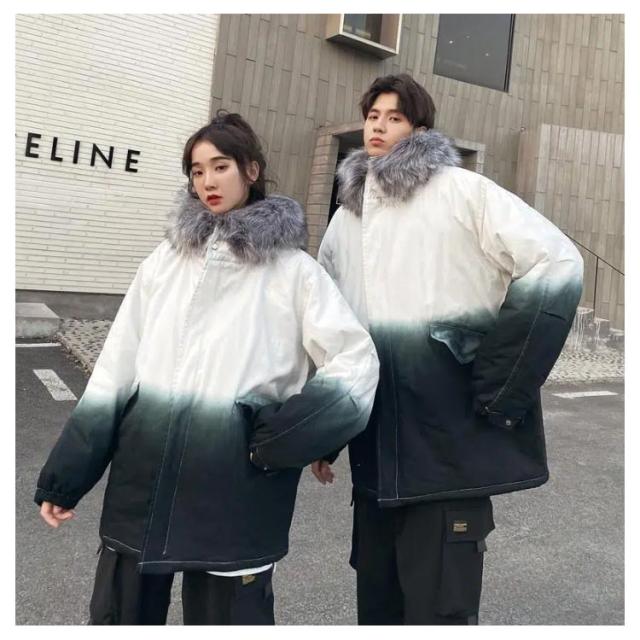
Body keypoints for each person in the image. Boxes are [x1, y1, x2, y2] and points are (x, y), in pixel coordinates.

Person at [35, 111, 379, 625]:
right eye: (197, 171)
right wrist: (67, 476)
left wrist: (285, 438)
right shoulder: (164, 262)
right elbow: (114, 370)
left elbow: (356, 361)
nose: (207, 181)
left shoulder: (293, 272)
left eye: (220, 167)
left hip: (236, 489)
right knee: (121, 617)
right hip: (143, 482)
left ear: (251, 170)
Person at [314, 74, 584, 625]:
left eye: (393, 117)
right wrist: (326, 429)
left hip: (447, 450)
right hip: (376, 456)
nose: (378, 126)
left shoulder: (462, 191)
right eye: (372, 116)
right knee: (378, 611)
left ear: (419, 129)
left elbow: (556, 262)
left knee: (440, 615)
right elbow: (330, 327)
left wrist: (502, 383)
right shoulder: (347, 217)